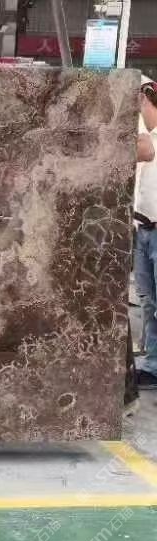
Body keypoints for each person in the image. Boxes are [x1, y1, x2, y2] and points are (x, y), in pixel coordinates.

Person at [133, 79, 157, 389]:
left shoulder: (150, 139)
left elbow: (145, 150)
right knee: (149, 303)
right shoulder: (148, 135)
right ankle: (153, 366)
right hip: (144, 230)